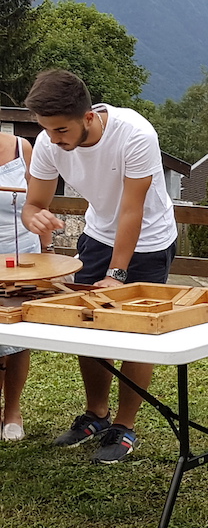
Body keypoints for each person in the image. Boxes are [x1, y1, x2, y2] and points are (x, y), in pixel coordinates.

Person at [22, 69, 179, 464]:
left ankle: (124, 426)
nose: (54, 140)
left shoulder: (136, 134)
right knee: (88, 327)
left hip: (149, 241)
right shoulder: (47, 141)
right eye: (47, 131)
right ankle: (96, 414)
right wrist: (32, 217)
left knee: (134, 334)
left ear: (88, 116)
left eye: (61, 131)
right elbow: (34, 202)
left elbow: (132, 210)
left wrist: (117, 274)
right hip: (96, 236)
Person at [0, 130, 51, 441]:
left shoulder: (22, 147)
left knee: (16, 339)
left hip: (22, 257)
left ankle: (12, 412)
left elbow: (40, 204)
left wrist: (48, 253)